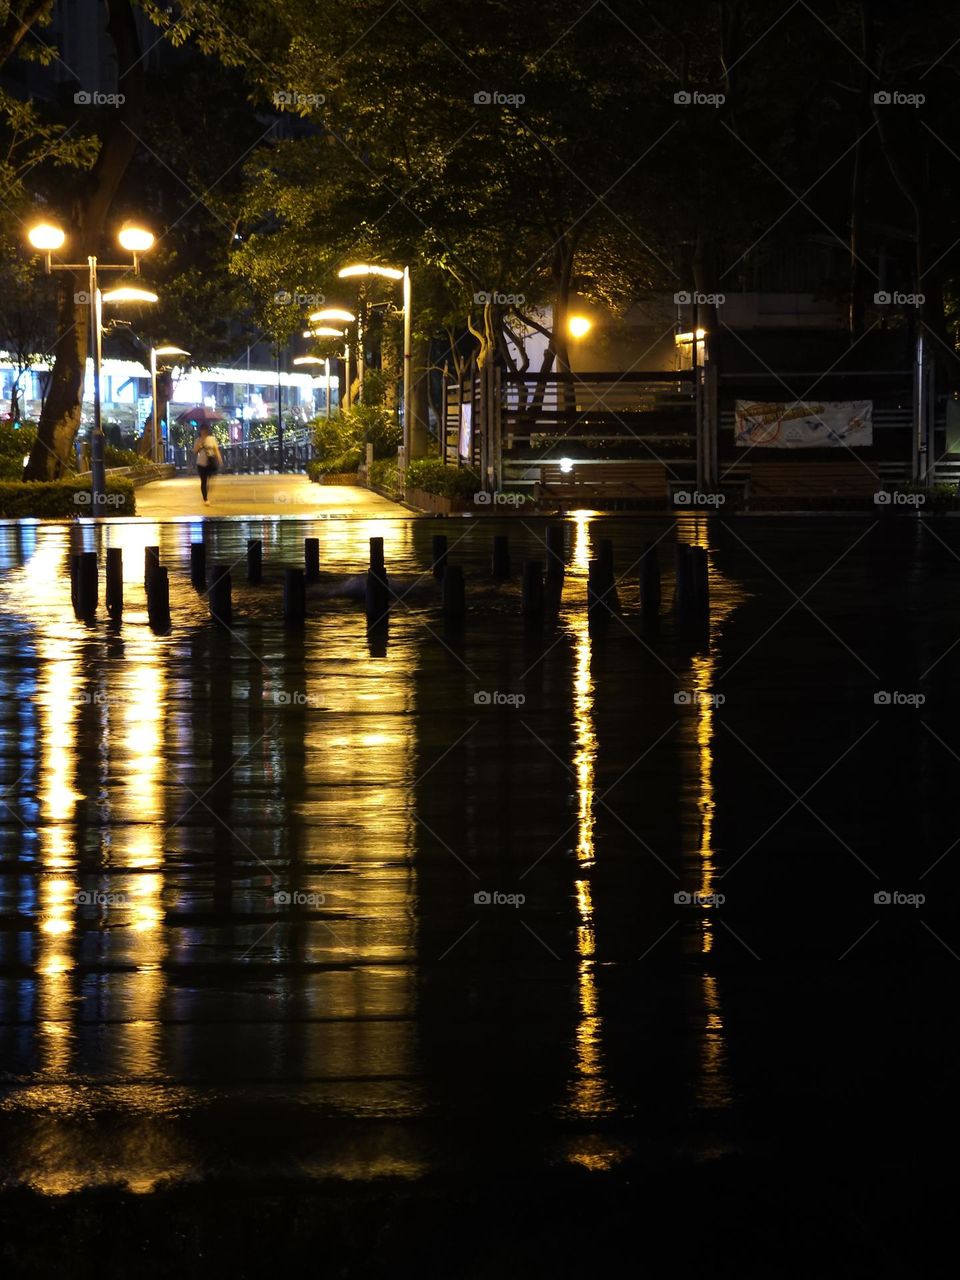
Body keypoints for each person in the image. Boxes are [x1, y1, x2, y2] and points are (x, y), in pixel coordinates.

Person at [193, 425, 223, 504]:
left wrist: (219, 459)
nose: (204, 431)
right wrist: (199, 446)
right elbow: (195, 452)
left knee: (209, 479)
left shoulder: (212, 439)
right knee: (203, 481)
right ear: (200, 431)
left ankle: (206, 491)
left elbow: (216, 450)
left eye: (206, 429)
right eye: (203, 430)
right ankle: (205, 498)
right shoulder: (197, 440)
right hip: (201, 463)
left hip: (210, 462)